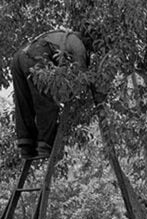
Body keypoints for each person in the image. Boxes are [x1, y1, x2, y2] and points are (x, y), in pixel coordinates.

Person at [11, 29, 90, 159]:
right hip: (35, 55)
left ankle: (26, 145)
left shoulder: (58, 36)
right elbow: (81, 75)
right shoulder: (78, 44)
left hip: (19, 57)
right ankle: (44, 144)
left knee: (24, 102)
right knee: (47, 101)